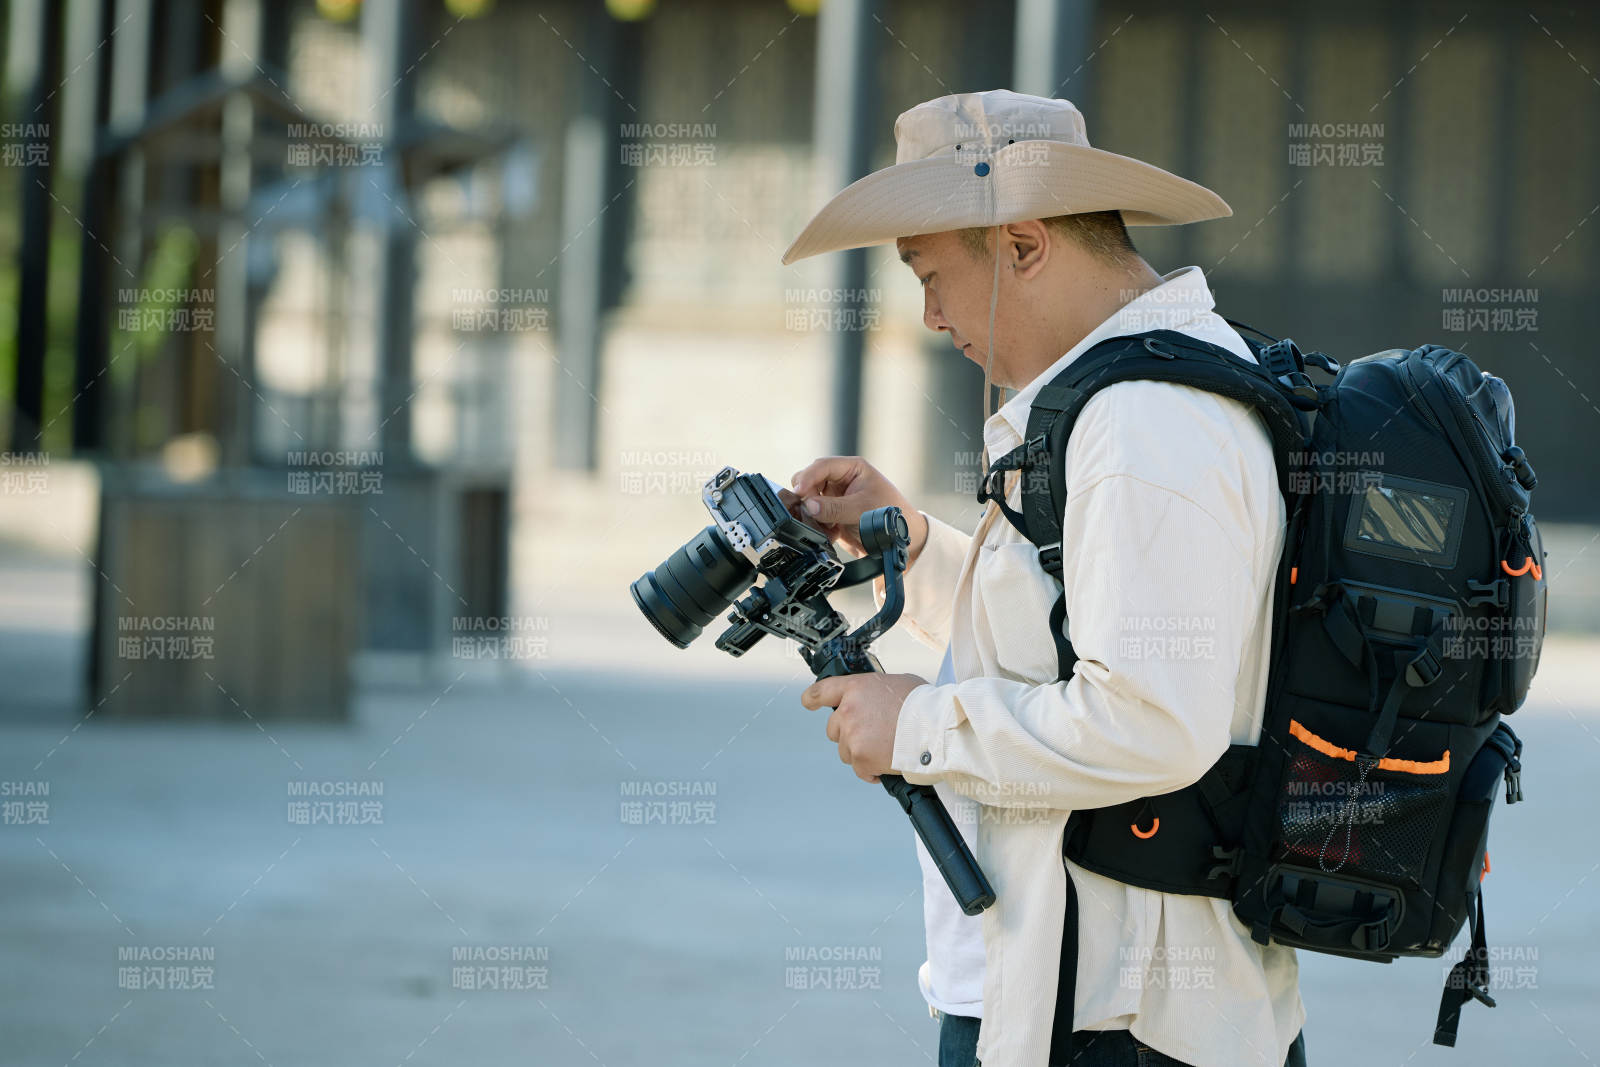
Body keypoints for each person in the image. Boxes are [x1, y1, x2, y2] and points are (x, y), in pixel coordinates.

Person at [783, 91, 1309, 1067]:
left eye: (930, 275)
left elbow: (1154, 715)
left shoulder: (1143, 419)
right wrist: (914, 544)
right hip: (1090, 988)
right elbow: (1074, 627)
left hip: (1111, 1014)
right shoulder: (1147, 388)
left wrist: (918, 726)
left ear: (1023, 244)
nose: (932, 317)